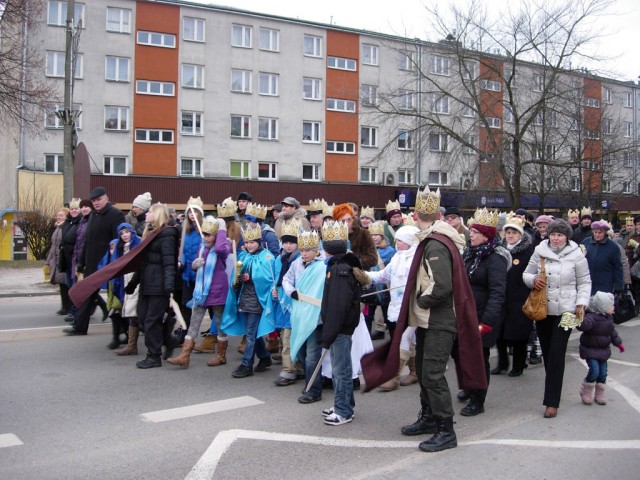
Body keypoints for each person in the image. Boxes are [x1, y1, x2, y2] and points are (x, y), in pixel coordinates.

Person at [389, 186, 486, 452]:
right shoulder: (433, 239)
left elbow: (442, 286)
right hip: (427, 319)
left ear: (415, 215)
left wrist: (420, 301)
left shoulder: (435, 243)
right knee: (423, 370)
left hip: (438, 319)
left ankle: (446, 430)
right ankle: (429, 418)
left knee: (432, 374)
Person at [523, 219, 591, 418]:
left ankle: (551, 402)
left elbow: (585, 282)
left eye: (560, 235)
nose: (556, 238)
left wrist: (582, 302)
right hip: (543, 310)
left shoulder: (577, 254)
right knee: (547, 352)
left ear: (566, 237)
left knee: (557, 352)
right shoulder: (540, 250)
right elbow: (526, 273)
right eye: (553, 234)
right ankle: (552, 387)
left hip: (568, 311)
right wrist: (533, 280)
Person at [460, 208, 509, 417]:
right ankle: (470, 388)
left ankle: (478, 400)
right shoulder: (470, 254)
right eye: (471, 232)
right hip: (466, 313)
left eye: (475, 232)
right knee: (466, 356)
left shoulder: (495, 258)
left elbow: (498, 293)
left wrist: (487, 321)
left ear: (486, 235)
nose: (471, 235)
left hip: (483, 316)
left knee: (480, 358)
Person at [168, 216, 230, 368]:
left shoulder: (223, 245)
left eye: (209, 234)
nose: (206, 237)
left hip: (217, 290)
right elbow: (198, 265)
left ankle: (221, 355)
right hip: (201, 291)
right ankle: (185, 355)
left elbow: (222, 249)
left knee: (220, 324)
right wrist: (195, 266)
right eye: (205, 234)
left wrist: (221, 229)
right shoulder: (203, 246)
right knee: (194, 322)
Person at [124, 203, 180, 368]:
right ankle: (168, 341)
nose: (147, 213)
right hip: (147, 284)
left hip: (159, 286)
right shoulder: (151, 234)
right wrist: (133, 283)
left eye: (150, 211)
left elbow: (169, 263)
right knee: (142, 319)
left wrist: (169, 286)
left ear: (158, 215)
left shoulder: (167, 235)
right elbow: (143, 263)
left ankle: (154, 356)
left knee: (151, 321)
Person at [64, 187, 125, 335]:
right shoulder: (93, 215)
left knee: (116, 297)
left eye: (99, 200)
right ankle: (80, 327)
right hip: (91, 264)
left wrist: (114, 262)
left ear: (106, 198)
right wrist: (81, 262)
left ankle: (125, 331)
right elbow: (87, 241)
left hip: (108, 265)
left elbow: (118, 240)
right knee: (86, 294)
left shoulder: (115, 214)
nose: (96, 203)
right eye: (94, 201)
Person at [319, 221, 363, 425]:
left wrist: (329, 333)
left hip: (339, 329)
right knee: (339, 369)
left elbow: (338, 306)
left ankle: (343, 410)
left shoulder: (340, 270)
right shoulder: (338, 266)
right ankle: (342, 403)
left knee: (341, 370)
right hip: (338, 328)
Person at [366, 225, 420, 391]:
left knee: (403, 340)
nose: (396, 243)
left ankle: (393, 377)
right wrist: (364, 275)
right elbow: (383, 276)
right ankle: (415, 372)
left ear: (410, 241)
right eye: (396, 240)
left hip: (413, 307)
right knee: (410, 340)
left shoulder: (418, 259)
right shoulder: (398, 257)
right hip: (396, 306)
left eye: (400, 241)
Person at [222, 224, 276, 378]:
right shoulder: (243, 256)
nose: (249, 245)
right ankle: (265, 358)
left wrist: (250, 277)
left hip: (258, 301)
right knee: (251, 332)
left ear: (259, 241)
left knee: (251, 334)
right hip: (244, 299)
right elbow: (235, 276)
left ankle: (247, 364)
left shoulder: (267, 257)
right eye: (246, 242)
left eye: (252, 242)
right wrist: (237, 281)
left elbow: (268, 279)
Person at [284, 231, 326, 404]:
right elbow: (287, 280)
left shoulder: (324, 265)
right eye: (302, 249)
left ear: (316, 248)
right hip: (300, 314)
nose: (304, 252)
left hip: (316, 316)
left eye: (308, 249)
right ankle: (313, 380)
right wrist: (291, 291)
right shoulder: (296, 264)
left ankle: (313, 390)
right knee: (300, 349)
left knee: (312, 355)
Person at [493, 215, 535, 377]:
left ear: (520, 235)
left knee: (519, 334)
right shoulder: (499, 250)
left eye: (514, 233)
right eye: (508, 232)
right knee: (500, 333)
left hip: (520, 297)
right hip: (502, 297)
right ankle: (502, 363)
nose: (510, 235)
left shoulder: (527, 252)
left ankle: (518, 365)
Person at [99, 223, 142, 350]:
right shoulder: (119, 248)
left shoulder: (138, 245)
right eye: (122, 233)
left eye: (127, 232)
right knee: (128, 312)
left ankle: (163, 339)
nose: (125, 235)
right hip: (124, 282)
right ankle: (131, 344)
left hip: (136, 281)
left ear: (131, 232)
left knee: (135, 312)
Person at [577, 291, 624, 406]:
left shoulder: (608, 319)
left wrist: (618, 343)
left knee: (603, 373)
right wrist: (580, 317)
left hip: (603, 351)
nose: (613, 307)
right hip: (590, 350)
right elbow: (584, 326)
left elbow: (612, 332)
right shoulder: (591, 318)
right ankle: (586, 391)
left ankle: (599, 393)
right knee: (594, 371)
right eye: (611, 305)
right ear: (603, 308)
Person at [272, 219, 302, 385]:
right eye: (286, 242)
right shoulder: (279, 259)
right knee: (286, 337)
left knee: (294, 338)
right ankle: (290, 368)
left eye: (292, 242)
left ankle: (293, 368)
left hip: (296, 303)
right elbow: (276, 278)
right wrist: (274, 289)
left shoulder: (300, 260)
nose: (289, 246)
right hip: (283, 303)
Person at [366, 221, 395, 340]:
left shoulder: (391, 251)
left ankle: (394, 342)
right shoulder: (365, 250)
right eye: (371, 235)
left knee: (388, 316)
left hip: (385, 288)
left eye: (376, 235)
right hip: (369, 287)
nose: (374, 237)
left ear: (382, 236)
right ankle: (366, 341)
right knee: (367, 316)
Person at [179, 197, 204, 334]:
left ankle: (214, 332)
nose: (192, 214)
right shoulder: (185, 230)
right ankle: (185, 330)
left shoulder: (203, 230)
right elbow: (183, 249)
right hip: (187, 273)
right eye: (190, 212)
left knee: (205, 304)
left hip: (200, 273)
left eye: (195, 211)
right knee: (185, 303)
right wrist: (181, 260)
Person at [582, 220, 623, 295]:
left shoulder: (613, 246)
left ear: (605, 233)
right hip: (588, 282)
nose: (597, 235)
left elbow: (618, 267)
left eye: (600, 233)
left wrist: (619, 286)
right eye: (595, 232)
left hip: (605, 283)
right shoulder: (586, 242)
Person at [47, 207, 71, 316]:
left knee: (66, 284)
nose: (58, 217)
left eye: (61, 215)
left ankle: (68, 307)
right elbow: (53, 247)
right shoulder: (57, 228)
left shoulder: (66, 227)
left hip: (63, 260)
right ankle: (65, 306)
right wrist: (48, 261)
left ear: (66, 217)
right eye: (58, 215)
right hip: (56, 261)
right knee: (62, 284)